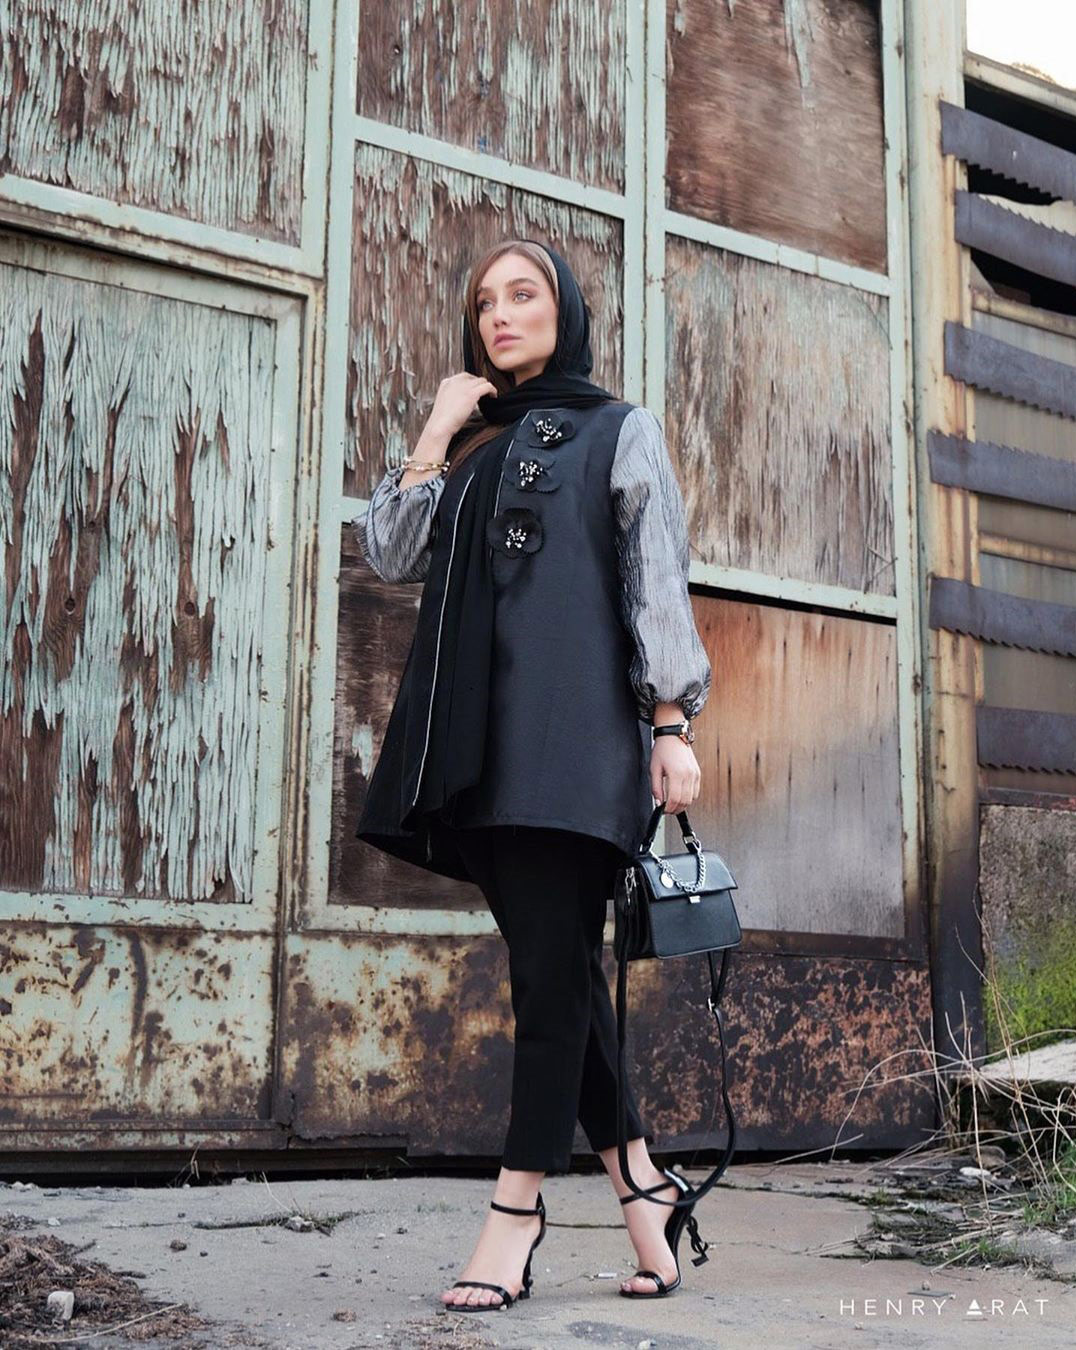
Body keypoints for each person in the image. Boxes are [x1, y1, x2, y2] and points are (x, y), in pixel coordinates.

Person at [351, 238, 713, 1311]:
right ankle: (646, 1195)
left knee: (547, 982)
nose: (501, 315)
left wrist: (671, 723)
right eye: (485, 303)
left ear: (567, 311)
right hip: (477, 742)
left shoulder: (618, 430)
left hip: (576, 740)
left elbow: (655, 581)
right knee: (561, 974)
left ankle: (516, 1213)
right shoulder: (469, 446)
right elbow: (389, 553)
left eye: (524, 294)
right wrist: (435, 428)